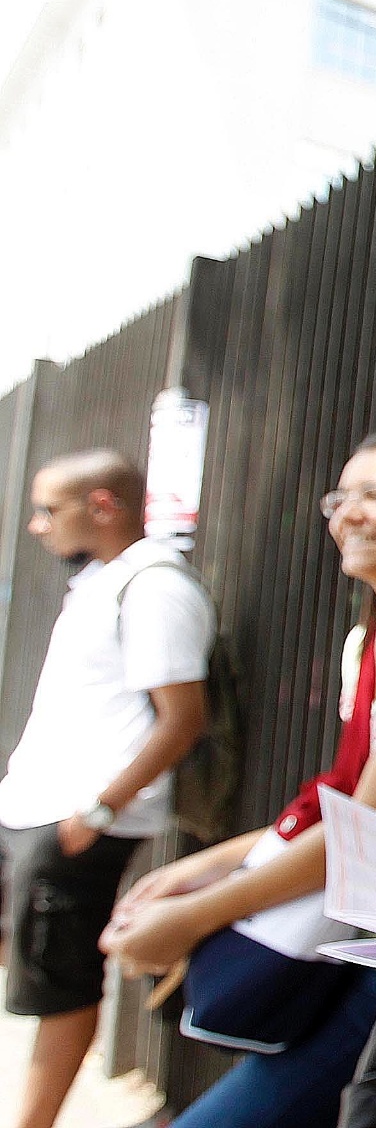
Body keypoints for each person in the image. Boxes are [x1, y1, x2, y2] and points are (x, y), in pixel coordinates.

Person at [100, 430, 376, 1128]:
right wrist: (200, 870)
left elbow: (367, 830)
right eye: (341, 497)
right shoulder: (370, 638)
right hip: (358, 938)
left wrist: (193, 916)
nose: (348, 513)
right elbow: (342, 804)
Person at [0, 449, 213, 1128]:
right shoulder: (104, 581)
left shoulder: (155, 588)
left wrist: (98, 810)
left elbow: (183, 721)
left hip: (78, 819)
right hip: (32, 807)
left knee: (57, 984)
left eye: (48, 509)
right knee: (33, 968)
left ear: (102, 505)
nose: (38, 525)